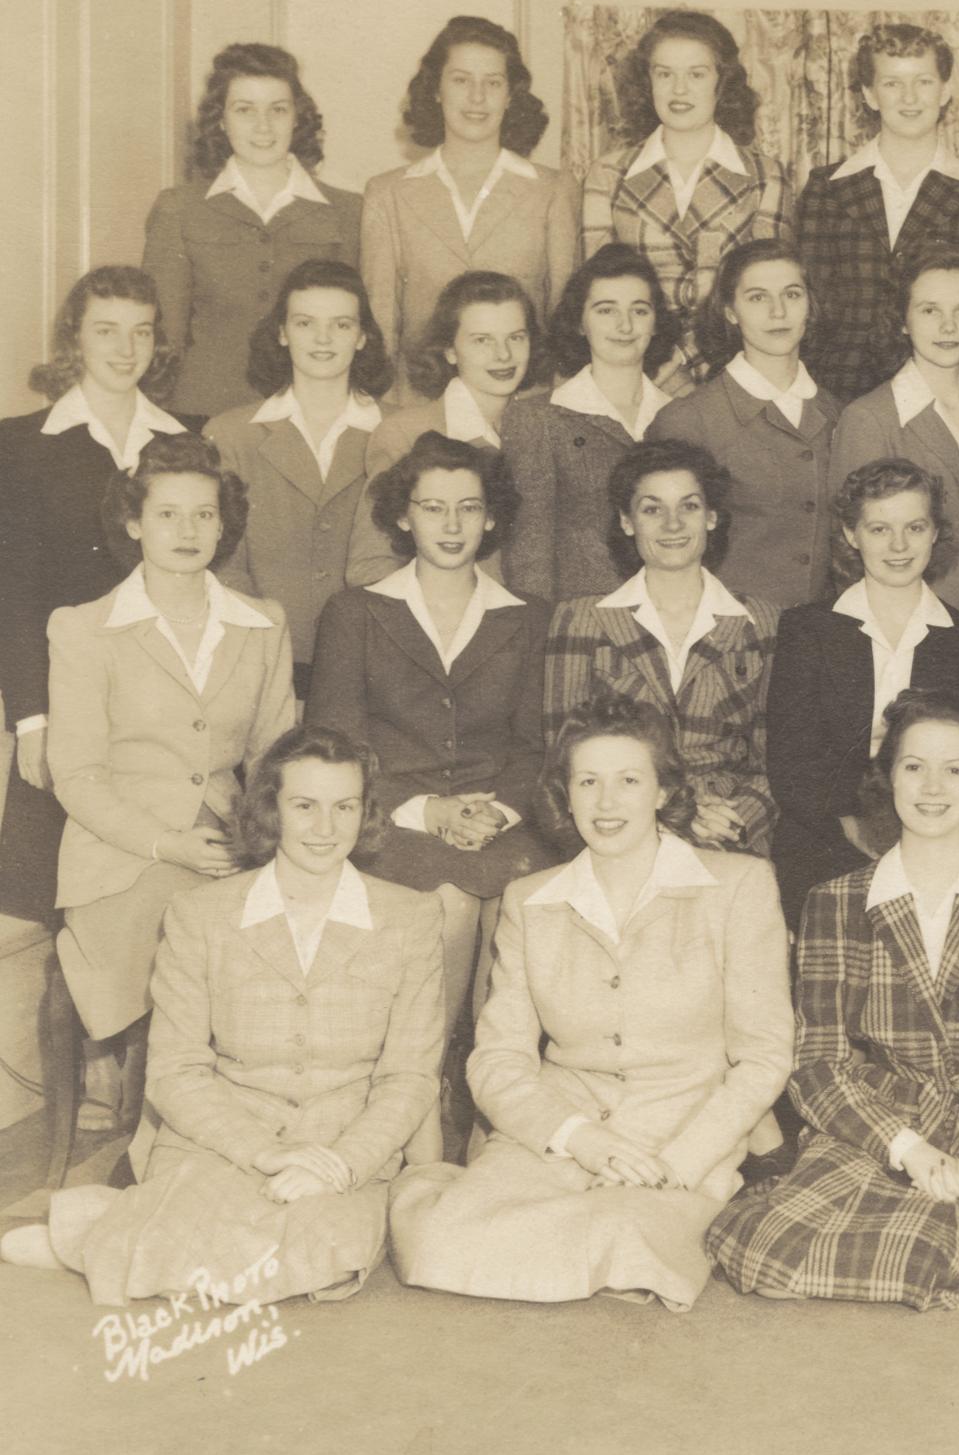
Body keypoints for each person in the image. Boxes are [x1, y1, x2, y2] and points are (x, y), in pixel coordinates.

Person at [0, 725, 444, 1303]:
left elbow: (409, 1076)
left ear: (366, 814)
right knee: (216, 1243)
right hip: (224, 1136)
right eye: (304, 806)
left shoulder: (410, 918)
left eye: (345, 807)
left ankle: (100, 1232)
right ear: (270, 811)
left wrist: (342, 1163)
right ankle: (122, 1229)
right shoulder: (199, 914)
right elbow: (175, 1071)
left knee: (322, 1258)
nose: (325, 828)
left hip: (342, 1140)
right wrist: (265, 1152)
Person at [388, 693, 793, 1310]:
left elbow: (763, 1058)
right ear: (565, 794)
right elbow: (497, 1060)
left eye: (629, 780)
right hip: (561, 1126)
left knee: (623, 1238)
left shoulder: (738, 885)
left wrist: (680, 1161)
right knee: (435, 1244)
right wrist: (575, 1136)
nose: (607, 803)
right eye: (588, 782)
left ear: (661, 791)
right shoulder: (530, 898)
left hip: (679, 1130)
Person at [706, 693, 959, 1308]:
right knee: (766, 1252)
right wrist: (909, 1150)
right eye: (913, 767)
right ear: (887, 778)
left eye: (954, 769)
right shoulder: (836, 900)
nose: (933, 788)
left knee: (915, 1256)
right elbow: (817, 1065)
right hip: (879, 1124)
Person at [47, 433, 299, 1047]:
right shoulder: (83, 628)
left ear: (222, 526)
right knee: (194, 947)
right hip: (123, 854)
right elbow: (76, 777)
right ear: (133, 523)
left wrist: (260, 841)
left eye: (204, 514)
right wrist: (167, 845)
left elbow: (275, 757)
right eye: (166, 514)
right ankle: (163, 1119)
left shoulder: (263, 622)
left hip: (230, 841)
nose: (187, 530)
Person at [310, 432, 556, 1057]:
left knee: (523, 907)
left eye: (469, 507)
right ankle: (424, 1077)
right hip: (390, 820)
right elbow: (337, 750)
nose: (452, 525)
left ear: (492, 516)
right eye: (432, 507)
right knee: (449, 904)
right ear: (402, 515)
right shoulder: (354, 613)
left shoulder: (530, 616)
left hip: (504, 823)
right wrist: (430, 812)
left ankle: (494, 1086)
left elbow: (537, 746)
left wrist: (498, 811)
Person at [0, 268, 187, 923]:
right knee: (55, 909)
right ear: (73, 338)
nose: (125, 348)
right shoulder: (19, 444)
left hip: (160, 705)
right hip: (63, 702)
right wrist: (31, 718)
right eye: (106, 330)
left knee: (150, 901)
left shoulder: (186, 440)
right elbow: (12, 594)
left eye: (141, 332)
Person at [765, 458, 959, 926]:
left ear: (935, 532)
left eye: (915, 527)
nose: (899, 546)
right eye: (880, 529)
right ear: (850, 534)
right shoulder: (808, 629)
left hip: (936, 824)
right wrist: (855, 826)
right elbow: (791, 759)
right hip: (825, 830)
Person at [544, 440, 780, 863]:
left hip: (727, 831)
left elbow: (778, 761)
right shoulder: (580, 619)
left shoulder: (761, 621)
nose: (673, 524)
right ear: (627, 522)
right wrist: (674, 817)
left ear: (711, 517)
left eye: (688, 506)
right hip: (617, 828)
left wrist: (737, 817)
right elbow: (563, 763)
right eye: (652, 509)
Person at [145, 43, 362, 421]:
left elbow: (359, 333)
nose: (263, 127)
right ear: (221, 120)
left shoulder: (348, 211)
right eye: (244, 110)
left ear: (298, 117)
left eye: (277, 109)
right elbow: (165, 338)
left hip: (311, 416)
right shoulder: (178, 209)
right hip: (203, 412)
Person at [204, 259, 393, 686]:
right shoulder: (230, 433)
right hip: (259, 660)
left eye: (341, 325)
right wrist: (265, 645)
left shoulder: (400, 432)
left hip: (375, 664)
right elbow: (222, 559)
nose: (323, 339)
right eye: (305, 323)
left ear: (363, 337)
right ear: (282, 333)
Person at [793, 21, 959, 402]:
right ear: (870, 95)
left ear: (946, 90)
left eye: (923, 81)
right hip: (838, 390)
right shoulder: (825, 189)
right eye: (892, 83)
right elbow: (810, 307)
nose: (909, 98)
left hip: (943, 390)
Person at [361, 14, 579, 369]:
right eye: (461, 80)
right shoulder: (386, 194)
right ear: (435, 89)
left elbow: (563, 321)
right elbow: (382, 328)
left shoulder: (553, 191)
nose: (477, 97)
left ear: (511, 95)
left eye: (493, 83)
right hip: (419, 406)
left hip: (523, 405)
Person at [578, 11, 789, 343]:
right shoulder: (606, 175)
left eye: (696, 74)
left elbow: (770, 294)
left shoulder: (766, 175)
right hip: (639, 360)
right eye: (664, 74)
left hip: (731, 358)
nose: (679, 89)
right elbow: (598, 297)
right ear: (647, 83)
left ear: (722, 84)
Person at [651, 238, 836, 611]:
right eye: (757, 297)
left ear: (810, 306)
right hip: (726, 641)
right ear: (730, 311)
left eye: (792, 294)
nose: (778, 311)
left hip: (817, 642)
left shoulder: (839, 415)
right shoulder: (687, 420)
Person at [499, 245, 690, 603]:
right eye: (606, 310)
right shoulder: (538, 418)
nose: (625, 326)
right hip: (582, 627)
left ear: (655, 323)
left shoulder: (682, 417)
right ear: (579, 322)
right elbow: (530, 554)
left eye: (639, 310)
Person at [831, 248, 959, 616]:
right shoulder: (868, 418)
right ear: (903, 321)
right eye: (929, 311)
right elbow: (850, 554)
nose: (948, 327)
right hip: (913, 629)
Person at [345, 270, 538, 587]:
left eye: (516, 337)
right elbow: (370, 567)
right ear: (449, 350)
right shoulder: (404, 434)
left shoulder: (545, 428)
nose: (503, 355)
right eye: (482, 340)